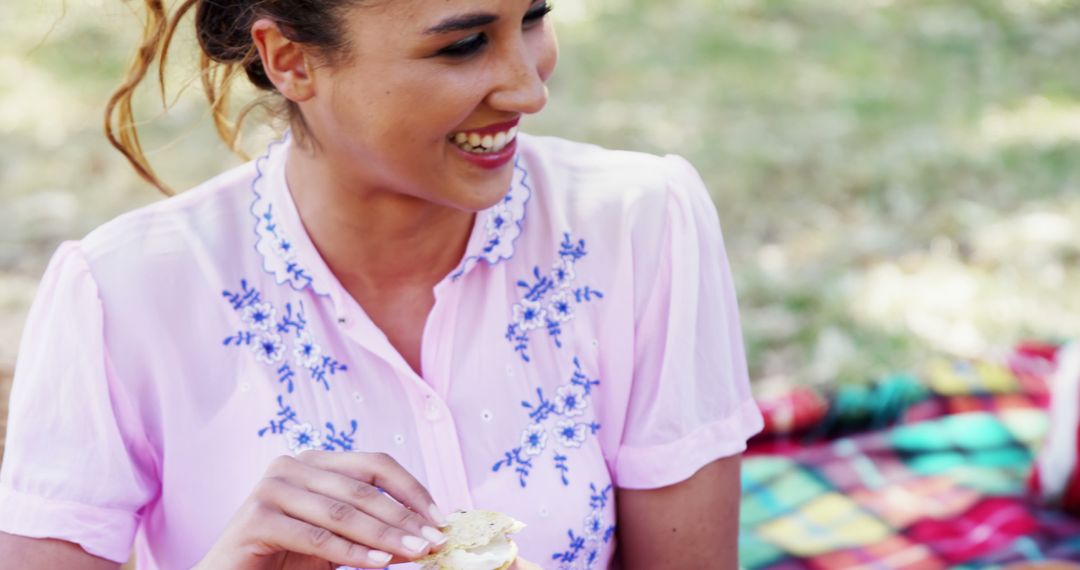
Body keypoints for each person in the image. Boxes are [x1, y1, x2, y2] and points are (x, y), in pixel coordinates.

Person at [0, 0, 764, 568]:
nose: (528, 90)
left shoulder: (640, 224)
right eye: (464, 44)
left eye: (533, 17)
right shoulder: (121, 297)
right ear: (290, 60)